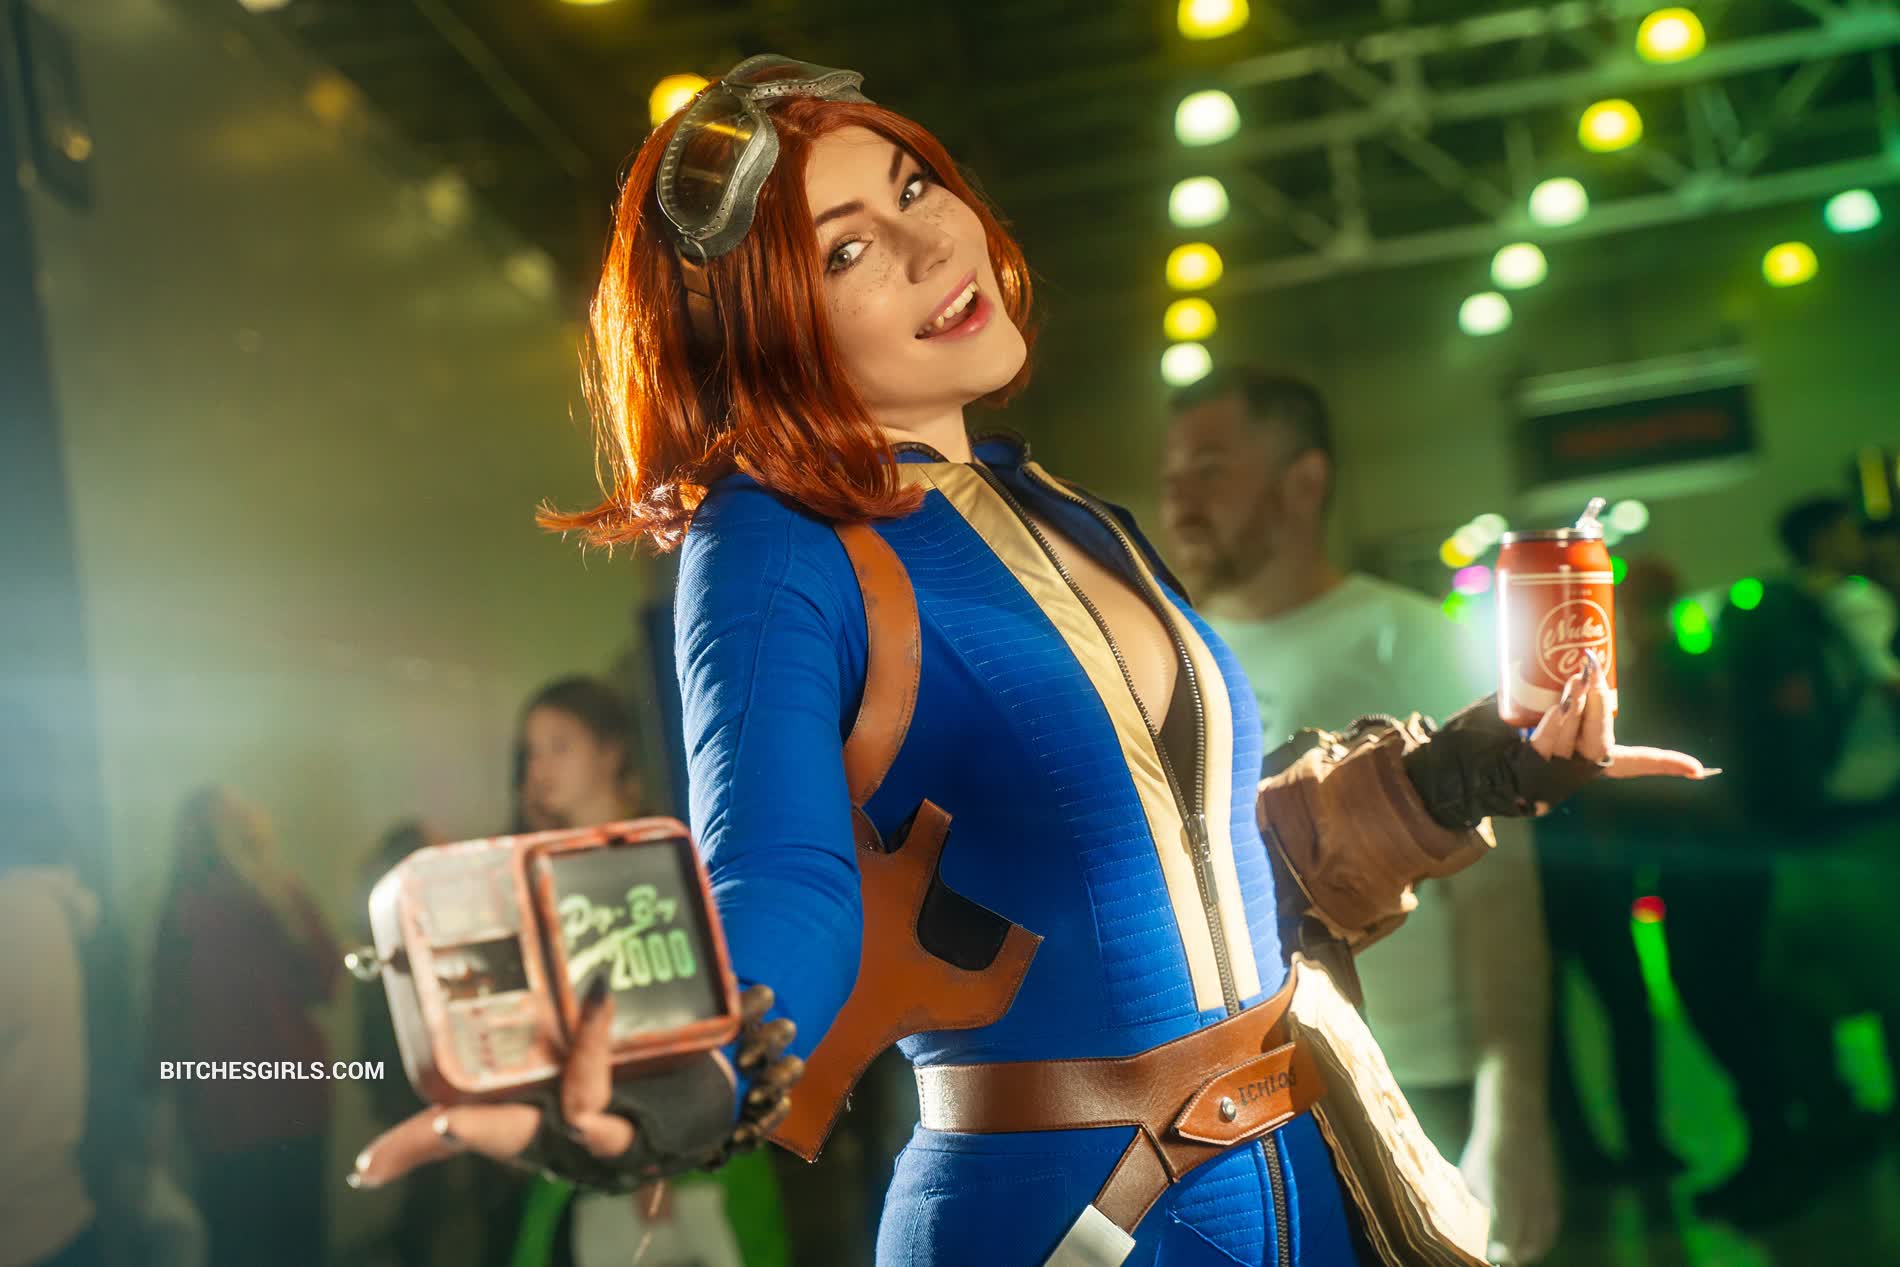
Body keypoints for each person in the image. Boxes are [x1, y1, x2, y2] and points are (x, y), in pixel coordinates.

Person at [348, 55, 1712, 1266]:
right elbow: (781, 875)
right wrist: (680, 1076)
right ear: (764, 329)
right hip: (1073, 1216)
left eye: (913, 187)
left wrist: (1464, 773)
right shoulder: (770, 541)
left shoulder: (1069, 511)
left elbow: (1185, 862)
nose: (927, 240)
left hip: (1303, 1169)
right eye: (845, 249)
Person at [1159, 370, 1557, 1264]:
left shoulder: (1411, 640)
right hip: (1243, 1097)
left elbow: (1501, 896)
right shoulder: (1170, 658)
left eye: (1211, 469)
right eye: (1172, 474)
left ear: (1303, 482)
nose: (1179, 498)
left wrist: (1514, 1104)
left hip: (1416, 1078)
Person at [150, 787, 339, 1267]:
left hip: (230, 1114)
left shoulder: (185, 913)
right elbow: (326, 983)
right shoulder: (270, 897)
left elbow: (165, 1027)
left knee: (241, 1244)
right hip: (286, 1102)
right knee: (298, 1244)